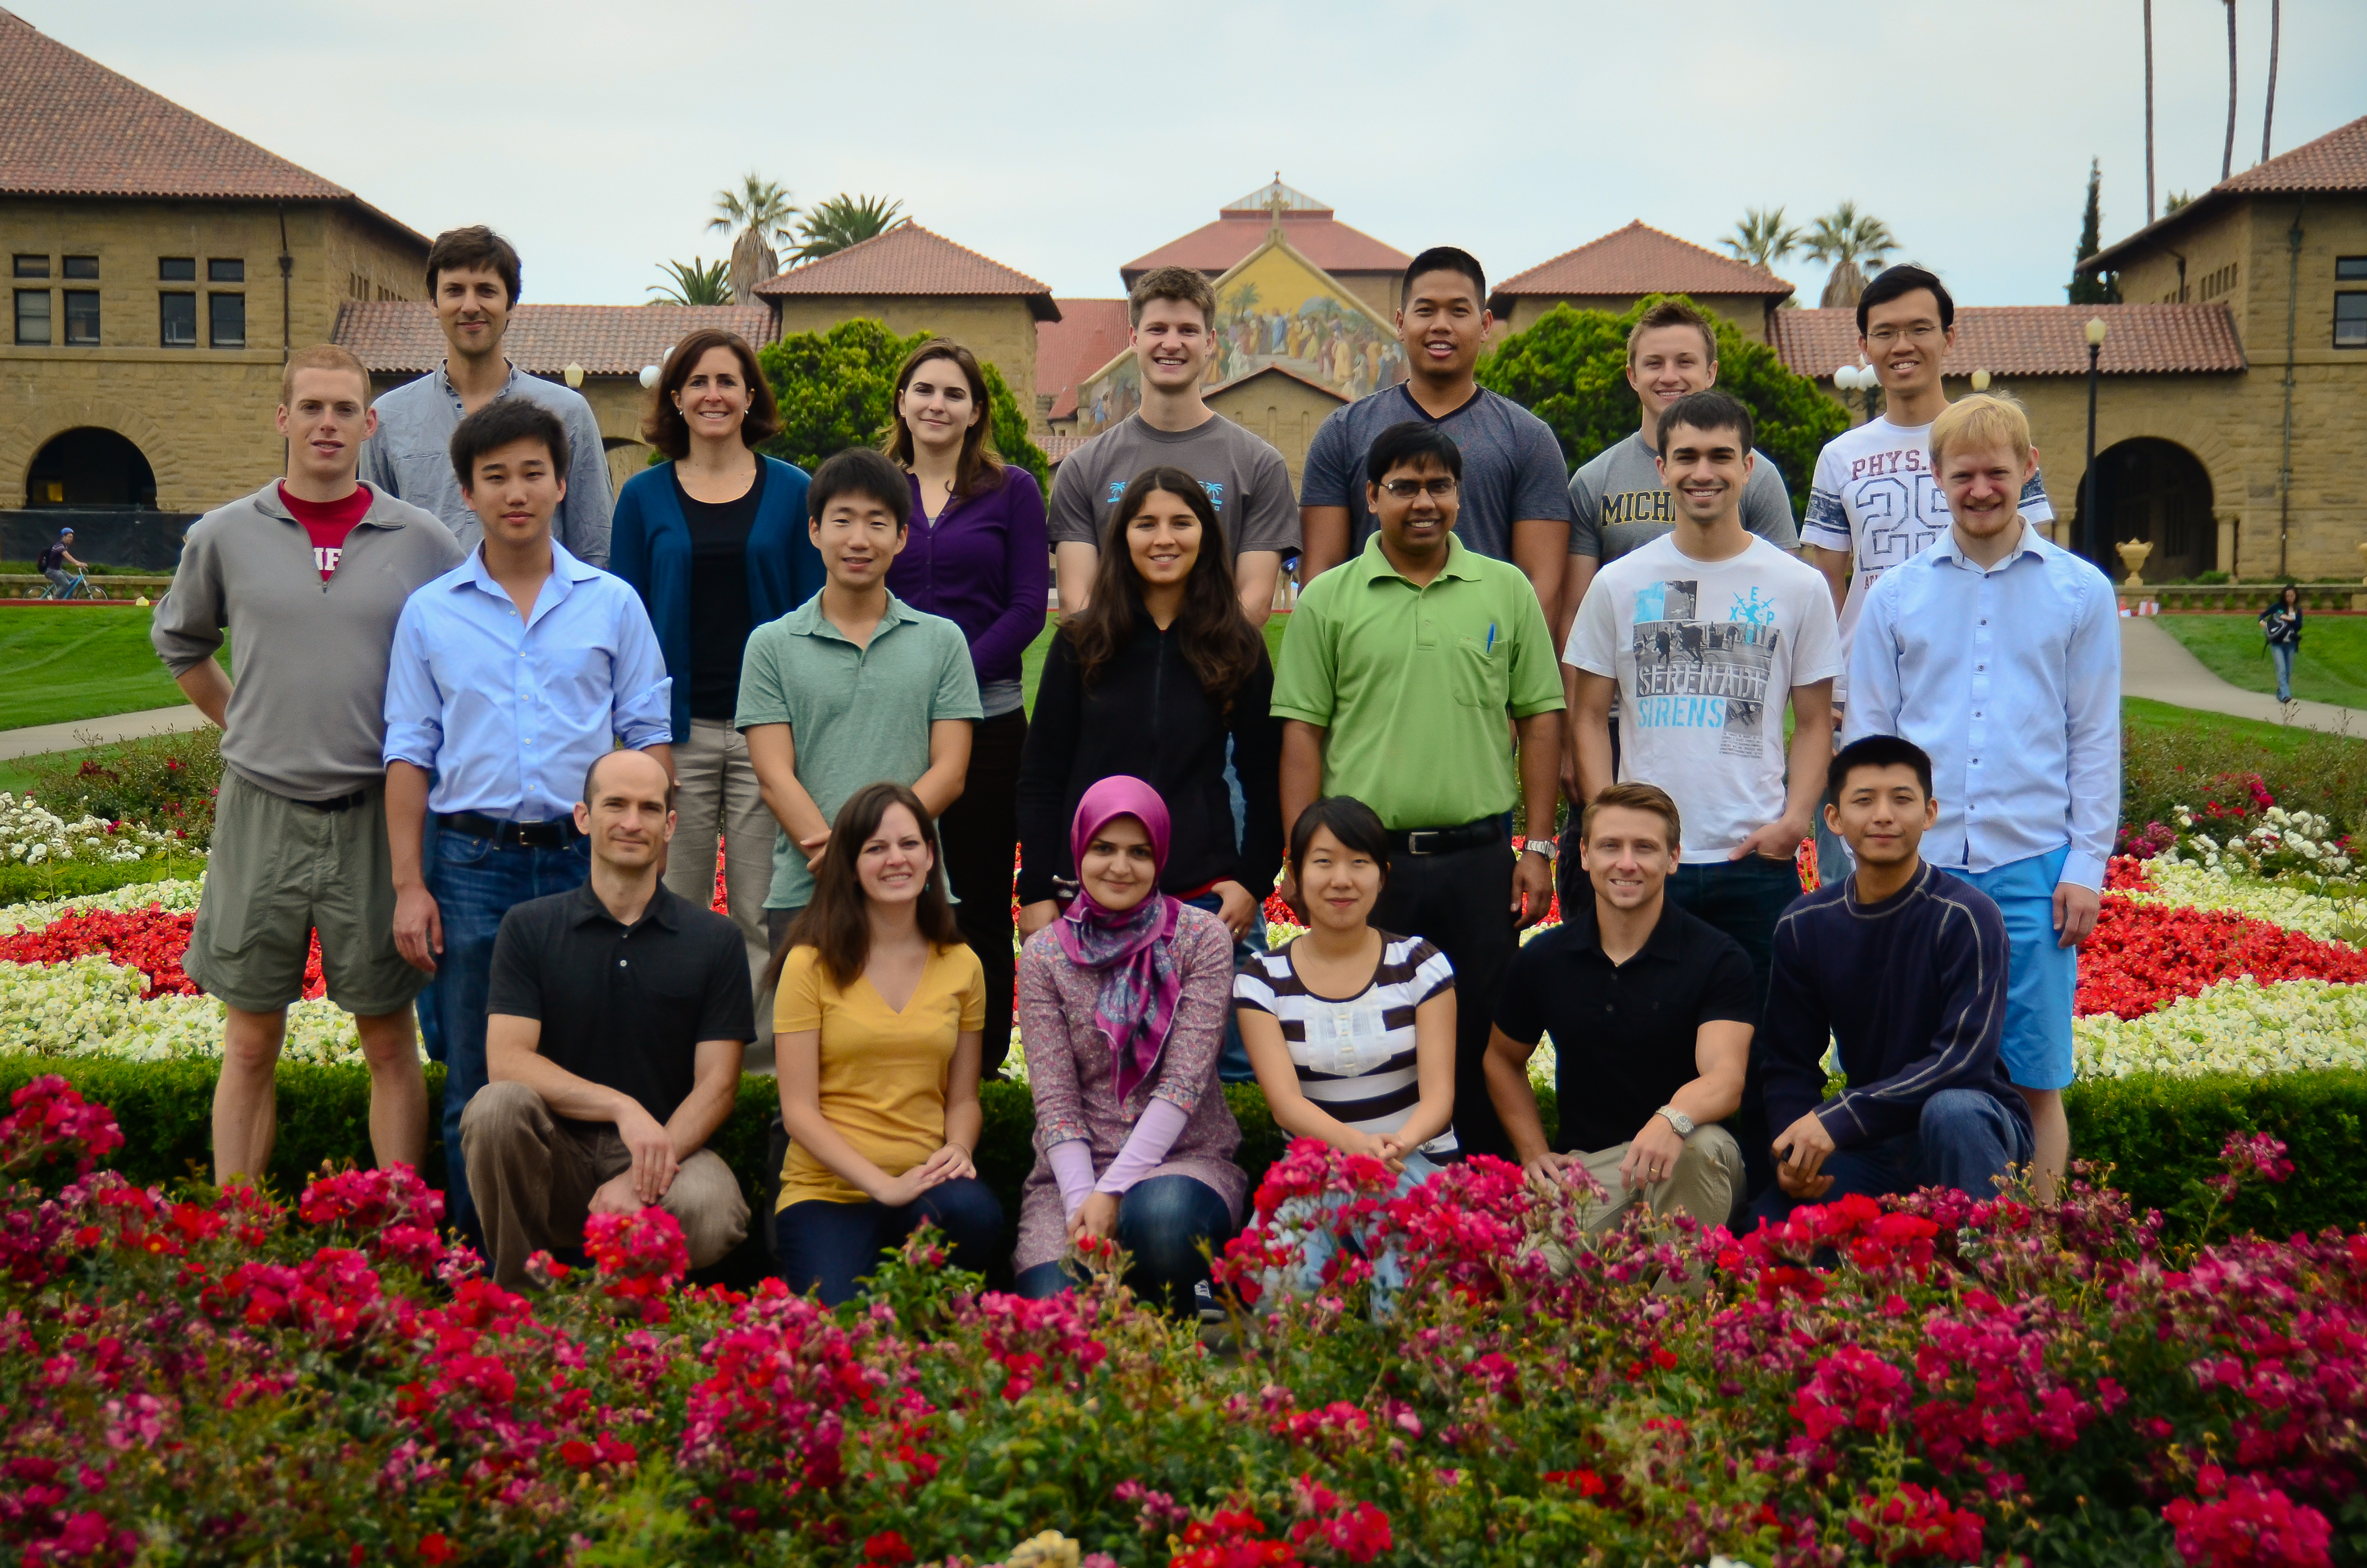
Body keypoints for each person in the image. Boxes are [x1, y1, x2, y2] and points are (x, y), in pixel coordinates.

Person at [152, 344, 464, 1185]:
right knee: (250, 1039)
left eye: (345, 410)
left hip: (374, 815)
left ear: (371, 422)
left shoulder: (422, 539)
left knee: (388, 1035)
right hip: (263, 811)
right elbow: (181, 640)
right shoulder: (225, 533)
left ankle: (396, 1221)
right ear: (282, 418)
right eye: (312, 408)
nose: (329, 424)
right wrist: (243, 719)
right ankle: (237, 1231)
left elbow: (460, 654)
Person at [382, 397, 673, 1240]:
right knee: (477, 1081)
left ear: (561, 482)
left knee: (597, 1060)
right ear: (466, 491)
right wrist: (410, 883)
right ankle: (477, 1268)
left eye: (533, 474)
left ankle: (594, 1255)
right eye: (495, 476)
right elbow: (409, 751)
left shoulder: (610, 604)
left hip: (586, 864)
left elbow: (650, 735)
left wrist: (639, 850)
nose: (517, 492)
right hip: (472, 867)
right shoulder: (432, 612)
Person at [1843, 393, 2117, 1204]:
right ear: (1937, 479)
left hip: (2031, 867)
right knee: (1897, 1069)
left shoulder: (2081, 591)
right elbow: (1870, 740)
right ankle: (1904, 1238)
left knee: (2036, 1077)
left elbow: (2094, 735)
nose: (1981, 488)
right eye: (1963, 473)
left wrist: (2088, 865)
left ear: (2028, 469)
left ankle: (2029, 1255)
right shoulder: (1894, 595)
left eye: (1997, 471)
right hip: (1915, 874)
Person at [1564, 390, 1839, 1198]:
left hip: (1752, 857)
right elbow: (1586, 711)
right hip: (1651, 867)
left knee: (1763, 1050)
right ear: (1663, 467)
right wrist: (1609, 819)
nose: (1704, 472)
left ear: (1748, 468)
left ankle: (1755, 1219)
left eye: (1722, 456)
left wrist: (1794, 819)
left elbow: (1817, 718)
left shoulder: (1794, 586)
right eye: (1686, 457)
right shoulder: (1622, 581)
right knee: (1636, 1047)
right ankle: (1625, 1209)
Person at [1273, 421, 1565, 1161]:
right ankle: (1382, 1201)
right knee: (1379, 1041)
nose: (1423, 501)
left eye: (1438, 485)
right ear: (1372, 497)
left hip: (1478, 860)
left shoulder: (1505, 589)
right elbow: (1302, 733)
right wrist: (1301, 854)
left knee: (1480, 1042)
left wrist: (1535, 844)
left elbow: (1539, 718)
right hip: (1369, 865)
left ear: (1460, 496)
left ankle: (1490, 1208)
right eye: (1404, 486)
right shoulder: (1328, 599)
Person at [1017, 467, 1283, 1081]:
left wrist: (1251, 879)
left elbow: (1263, 770)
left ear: (1205, 536)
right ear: (1123, 539)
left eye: (1180, 523)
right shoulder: (1083, 642)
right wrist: (1035, 888)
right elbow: (1042, 773)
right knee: (1101, 1074)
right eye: (1146, 524)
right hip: (1094, 893)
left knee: (1233, 1070)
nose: (1163, 539)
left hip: (1205, 897)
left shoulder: (1234, 644)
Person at [1801, 264, 2055, 883]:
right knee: (1859, 877)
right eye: (1884, 332)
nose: (1902, 345)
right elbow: (1821, 582)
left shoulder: (1991, 441)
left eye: (1919, 328)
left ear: (1948, 336)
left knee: (1982, 866)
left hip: (1977, 678)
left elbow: (2036, 567)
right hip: (1869, 689)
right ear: (1862, 346)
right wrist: (1828, 686)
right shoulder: (1841, 456)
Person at [464, 749, 753, 1289]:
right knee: (496, 1108)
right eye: (615, 804)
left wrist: (640, 1173)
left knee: (714, 1211)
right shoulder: (529, 928)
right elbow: (506, 1062)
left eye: (648, 809)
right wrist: (622, 1108)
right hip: (552, 1153)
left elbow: (719, 1084)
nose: (630, 822)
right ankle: (521, 1307)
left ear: (670, 826)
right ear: (583, 817)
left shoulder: (714, 940)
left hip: (667, 1153)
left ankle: (612, 1314)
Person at [1554, 300, 1799, 907]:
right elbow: (1575, 608)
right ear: (1630, 374)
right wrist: (1570, 735)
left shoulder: (1758, 478)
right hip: (1620, 717)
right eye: (1654, 362)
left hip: (1726, 703)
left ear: (1711, 371)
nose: (1670, 375)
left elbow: (1778, 594)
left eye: (1685, 361)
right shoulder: (1595, 479)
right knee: (1612, 889)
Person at [610, 329, 821, 996]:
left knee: (766, 912)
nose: (713, 395)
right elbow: (627, 624)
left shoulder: (794, 493)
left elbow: (813, 614)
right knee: (675, 907)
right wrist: (640, 739)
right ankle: (683, 1068)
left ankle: (760, 1071)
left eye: (728, 381)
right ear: (674, 397)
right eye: (697, 382)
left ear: (750, 394)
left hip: (770, 734)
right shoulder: (642, 498)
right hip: (676, 736)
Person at [1755, 736, 2034, 1222]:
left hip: (1971, 1126)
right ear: (1834, 819)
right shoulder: (1804, 924)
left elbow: (1962, 1061)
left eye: (1901, 799)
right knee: (1772, 1233)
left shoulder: (1966, 916)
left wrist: (1838, 1118)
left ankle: (1996, 1272)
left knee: (1951, 1112)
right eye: (1864, 800)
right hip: (1873, 1140)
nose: (1883, 815)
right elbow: (1787, 1063)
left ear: (1929, 814)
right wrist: (1791, 1150)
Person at [735, 447, 981, 956]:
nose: (858, 540)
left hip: (915, 888)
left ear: (901, 536)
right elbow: (774, 777)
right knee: (807, 1037)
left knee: (916, 1036)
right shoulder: (771, 645)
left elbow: (951, 770)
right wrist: (845, 859)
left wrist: (885, 855)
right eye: (842, 520)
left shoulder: (943, 642)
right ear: (814, 531)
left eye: (877, 522)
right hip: (807, 893)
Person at [1014, 778, 1244, 1317]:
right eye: (1104, 849)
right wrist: (1084, 1207)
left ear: (1160, 856)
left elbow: (1183, 1084)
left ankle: (1191, 1296)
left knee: (1162, 1224)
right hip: (1072, 1175)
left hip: (1182, 1160)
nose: (1120, 867)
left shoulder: (1200, 939)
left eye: (1138, 852)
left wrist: (1113, 1193)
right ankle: (1143, 1305)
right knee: (1055, 1313)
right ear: (1079, 852)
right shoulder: (1045, 956)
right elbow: (1055, 1101)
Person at [770, 782, 1003, 1305]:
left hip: (923, 1186)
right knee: (839, 1333)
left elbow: (963, 1099)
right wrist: (882, 1185)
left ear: (929, 859)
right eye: (875, 848)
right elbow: (798, 1112)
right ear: (849, 866)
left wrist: (958, 1149)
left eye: (909, 845)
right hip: (827, 1192)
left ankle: (923, 1310)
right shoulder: (810, 964)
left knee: (978, 1217)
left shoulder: (962, 964)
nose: (895, 859)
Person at [884, 339, 1049, 1076]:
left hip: (988, 722)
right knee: (896, 893)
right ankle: (900, 1058)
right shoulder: (878, 486)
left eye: (953, 393)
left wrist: (943, 676)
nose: (936, 404)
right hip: (888, 719)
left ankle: (979, 1071)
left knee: (979, 899)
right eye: (923, 390)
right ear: (902, 401)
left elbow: (1025, 608)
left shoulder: (1011, 490)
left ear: (977, 409)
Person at [1485, 783, 1754, 1234]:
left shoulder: (1717, 958)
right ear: (1585, 854)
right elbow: (1500, 1058)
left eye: (1645, 848)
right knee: (1535, 1283)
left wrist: (1671, 1119)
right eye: (1610, 846)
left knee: (1699, 1145)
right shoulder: (1544, 959)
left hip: (1692, 1159)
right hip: (1593, 1168)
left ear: (1672, 859)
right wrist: (1533, 1153)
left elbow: (1725, 1079)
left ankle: (1676, 1306)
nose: (1626, 863)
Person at [1234, 797, 1457, 1305]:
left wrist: (1394, 1148)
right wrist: (1354, 1149)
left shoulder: (1420, 964)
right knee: (1278, 1292)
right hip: (1314, 1169)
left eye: (1359, 863)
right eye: (1323, 862)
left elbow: (1440, 1096)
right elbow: (1285, 1104)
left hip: (1413, 1159)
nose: (1342, 879)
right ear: (1294, 875)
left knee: (1405, 1293)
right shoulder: (1262, 981)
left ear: (1383, 875)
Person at [1298, 247, 1570, 622]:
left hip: (1482, 659)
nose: (1440, 325)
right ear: (1399, 322)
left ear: (1485, 325)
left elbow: (1541, 585)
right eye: (1425, 310)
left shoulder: (1528, 438)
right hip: (1370, 658)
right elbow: (1320, 574)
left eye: (1459, 311)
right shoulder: (1344, 432)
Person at [1047, 266, 1297, 622]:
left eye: (1188, 331)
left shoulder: (1258, 465)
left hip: (1215, 670)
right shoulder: (1084, 468)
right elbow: (1077, 601)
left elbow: (1254, 602)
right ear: (1134, 338)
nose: (1172, 343)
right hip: (1113, 668)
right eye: (1158, 329)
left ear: (1210, 342)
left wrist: (1182, 664)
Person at [360, 225, 613, 566]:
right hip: (426, 617)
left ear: (510, 303)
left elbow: (596, 546)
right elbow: (373, 548)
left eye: (486, 291)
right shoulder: (390, 418)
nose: (469, 306)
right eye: (454, 290)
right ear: (434, 303)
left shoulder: (566, 413)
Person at [2260, 584, 2304, 703]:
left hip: (2291, 644)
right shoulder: (2278, 607)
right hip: (2277, 644)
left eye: (2292, 595)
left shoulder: (2297, 610)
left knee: (2288, 672)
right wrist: (2265, 627)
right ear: (2284, 596)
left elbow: (2298, 627)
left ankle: (2281, 693)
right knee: (2282, 669)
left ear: (2296, 596)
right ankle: (2286, 695)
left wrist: (2291, 618)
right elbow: (2262, 616)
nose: (2290, 598)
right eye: (2288, 595)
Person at [36, 528, 84, 596]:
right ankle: (54, 599)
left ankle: (69, 601)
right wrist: (77, 563)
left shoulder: (64, 546)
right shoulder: (59, 546)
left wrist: (78, 563)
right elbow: (68, 556)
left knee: (73, 580)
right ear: (63, 537)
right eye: (69, 537)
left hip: (57, 569)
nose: (71, 539)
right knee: (66, 585)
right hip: (51, 570)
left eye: (72, 537)